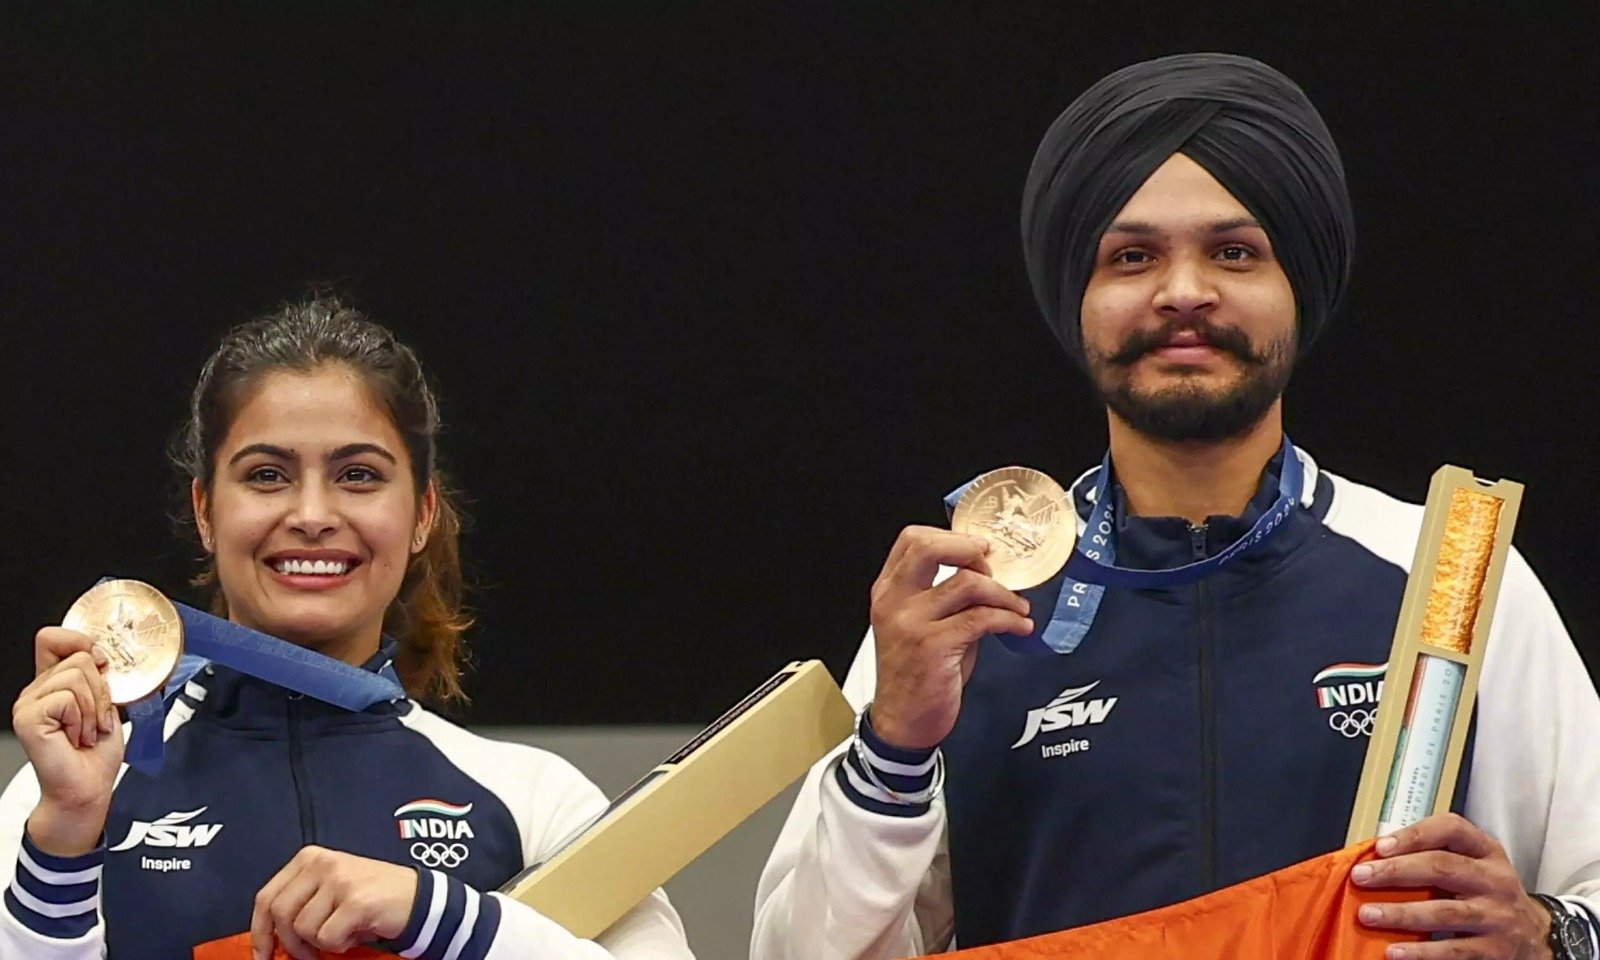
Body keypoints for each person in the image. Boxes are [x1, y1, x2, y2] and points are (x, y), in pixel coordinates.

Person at [751, 53, 1600, 960]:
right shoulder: (967, 609)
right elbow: (795, 954)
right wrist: (895, 746)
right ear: (1077, 299)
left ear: (1296, 289)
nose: (1184, 291)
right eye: (1132, 256)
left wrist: (1552, 936)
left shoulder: (1447, 579)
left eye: (1234, 252)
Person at [1, 295, 697, 959]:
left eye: (358, 475)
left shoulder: (534, 802)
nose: (311, 512)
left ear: (423, 512)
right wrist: (66, 834)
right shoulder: (66, 793)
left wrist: (441, 917)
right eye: (268, 474)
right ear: (206, 511)